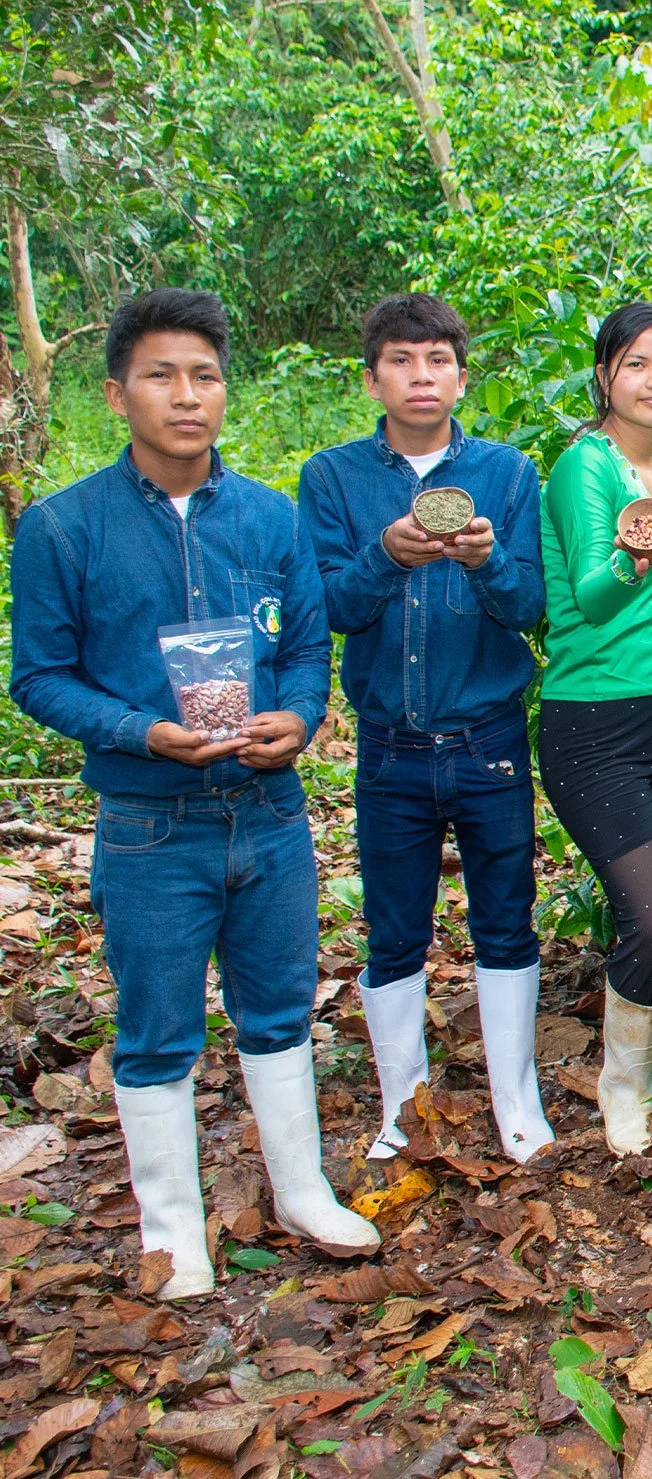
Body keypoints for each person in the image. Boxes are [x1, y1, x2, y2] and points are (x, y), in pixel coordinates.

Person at [9, 289, 378, 1298]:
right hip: (148, 821)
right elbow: (37, 676)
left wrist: (298, 719)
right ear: (117, 391)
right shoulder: (63, 528)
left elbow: (306, 650)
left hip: (266, 811)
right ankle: (173, 1232)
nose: (186, 397)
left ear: (226, 391)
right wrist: (143, 733)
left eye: (205, 376)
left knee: (279, 1012)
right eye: (162, 376)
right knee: (157, 1028)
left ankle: (300, 1190)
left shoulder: (268, 517)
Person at [299, 293, 553, 1164]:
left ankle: (516, 1100)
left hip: (488, 741)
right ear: (373, 378)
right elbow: (326, 605)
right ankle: (401, 1106)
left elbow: (531, 605)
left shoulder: (509, 474)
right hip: (390, 746)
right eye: (402, 361)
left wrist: (487, 561)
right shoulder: (333, 478)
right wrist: (387, 553)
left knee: (506, 920)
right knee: (394, 928)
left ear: (460, 376)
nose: (421, 376)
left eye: (437, 360)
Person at [535, 301, 652, 1157]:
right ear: (604, 375)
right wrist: (635, 560)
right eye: (638, 363)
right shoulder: (585, 468)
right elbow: (593, 600)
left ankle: (650, 1063)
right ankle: (621, 1084)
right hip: (594, 724)